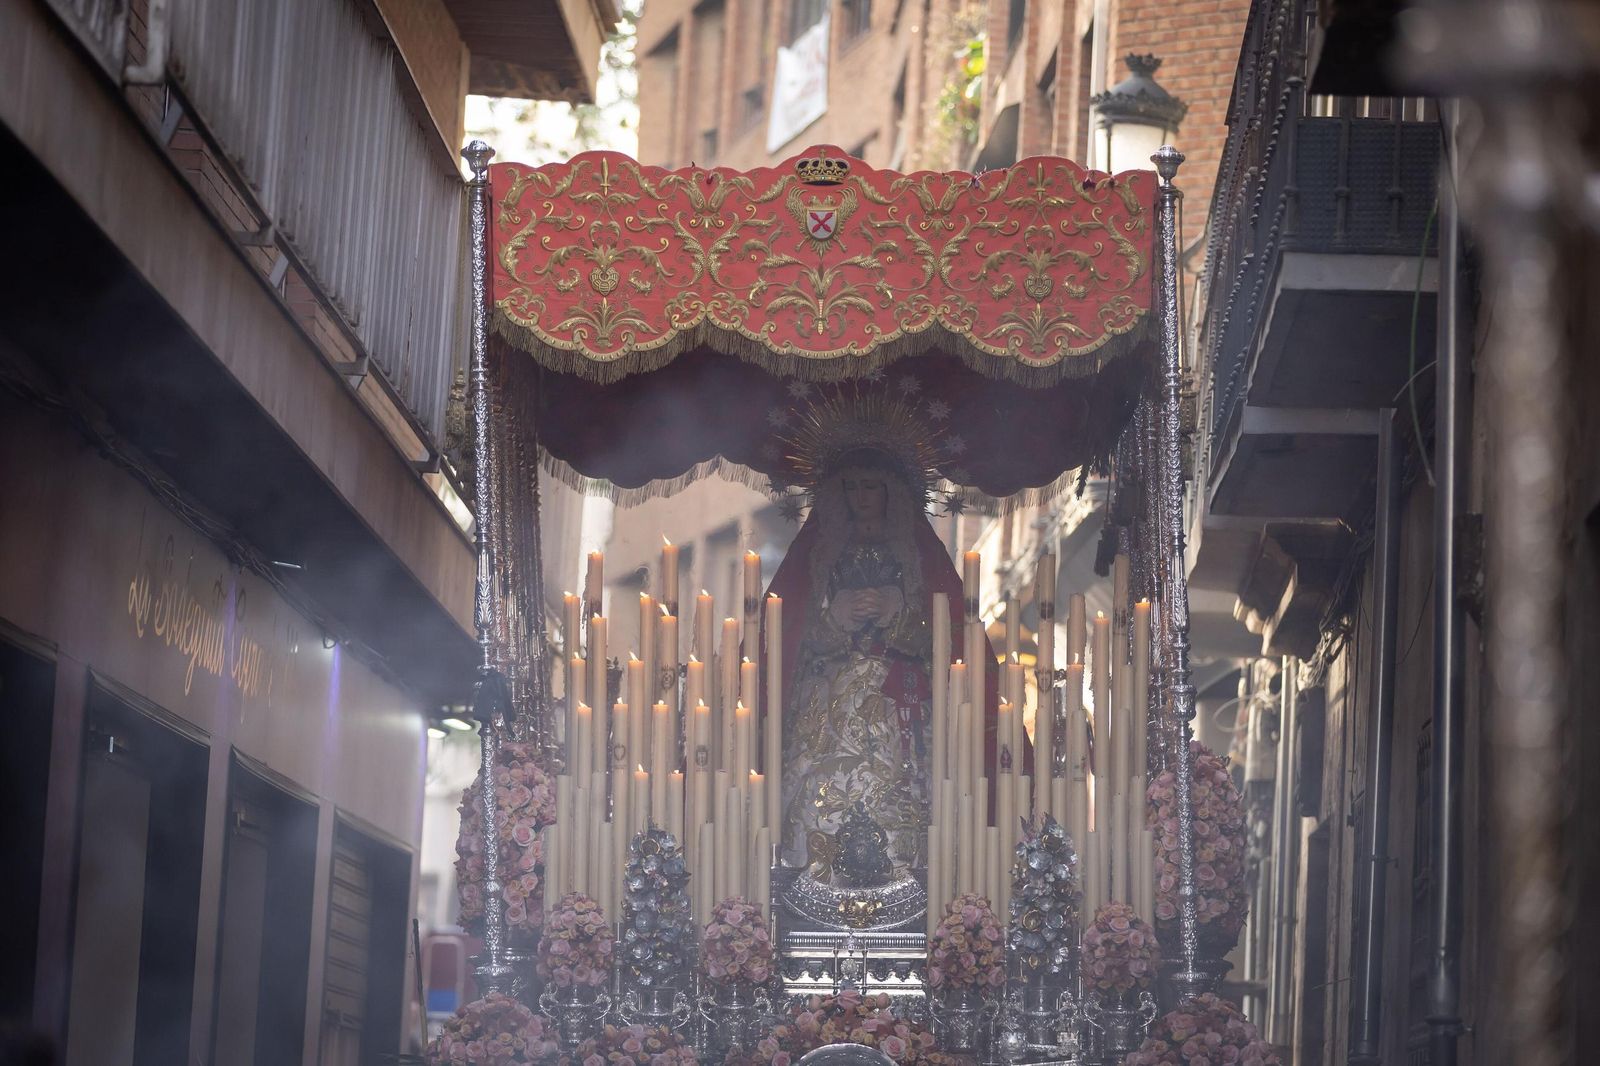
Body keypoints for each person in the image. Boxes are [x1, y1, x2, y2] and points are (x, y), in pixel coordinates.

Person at [764, 396, 1024, 881]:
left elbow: (949, 640)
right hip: (826, 704)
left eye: (872, 486)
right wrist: (833, 617)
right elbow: (787, 636)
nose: (862, 497)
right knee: (816, 799)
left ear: (893, 493)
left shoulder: (917, 558)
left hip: (902, 701)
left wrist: (900, 612)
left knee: (907, 798)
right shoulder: (818, 558)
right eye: (853, 487)